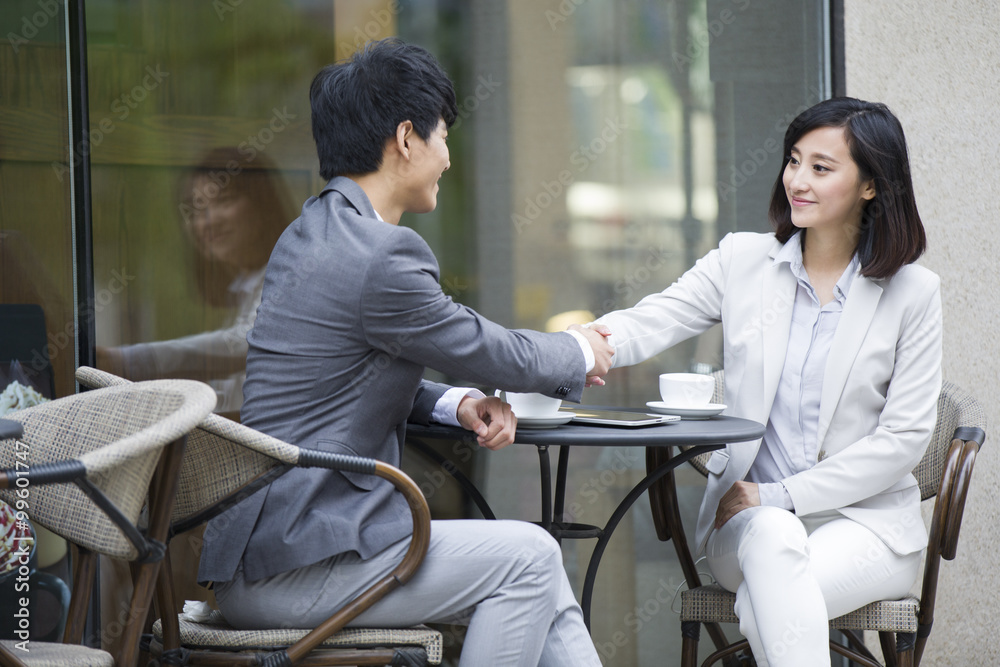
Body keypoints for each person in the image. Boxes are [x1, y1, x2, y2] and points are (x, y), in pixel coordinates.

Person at [197, 39, 611, 666]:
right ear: (407, 138)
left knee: (540, 574)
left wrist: (458, 403)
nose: (448, 157)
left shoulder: (309, 234)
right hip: (301, 565)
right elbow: (485, 347)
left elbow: (349, 376)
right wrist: (577, 349)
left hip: (269, 552)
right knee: (529, 558)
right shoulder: (380, 255)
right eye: (444, 137)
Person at [589, 97, 940, 666]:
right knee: (776, 549)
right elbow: (655, 318)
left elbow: (902, 440)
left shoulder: (913, 294)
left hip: (869, 528)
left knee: (772, 599)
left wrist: (779, 494)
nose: (798, 180)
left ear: (871, 185)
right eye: (794, 161)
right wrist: (576, 347)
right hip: (746, 524)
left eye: (821, 168)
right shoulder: (742, 263)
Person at [97, 147, 296, 419]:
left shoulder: (293, 273)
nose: (207, 221)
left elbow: (244, 343)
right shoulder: (244, 290)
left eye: (224, 200)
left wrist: (124, 361)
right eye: (194, 210)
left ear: (262, 205)